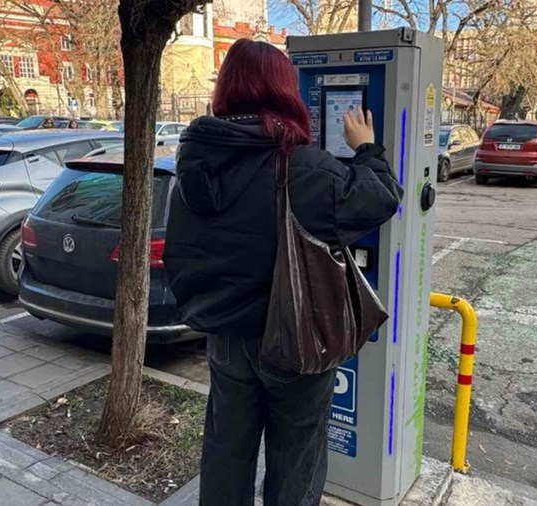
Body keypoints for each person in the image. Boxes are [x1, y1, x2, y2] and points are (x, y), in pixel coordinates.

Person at [163, 39, 403, 506]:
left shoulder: (195, 159)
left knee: (226, 453)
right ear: (283, 90)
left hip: (226, 337)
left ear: (226, 88)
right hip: (295, 338)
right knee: (297, 460)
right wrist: (367, 148)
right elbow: (380, 198)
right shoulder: (301, 164)